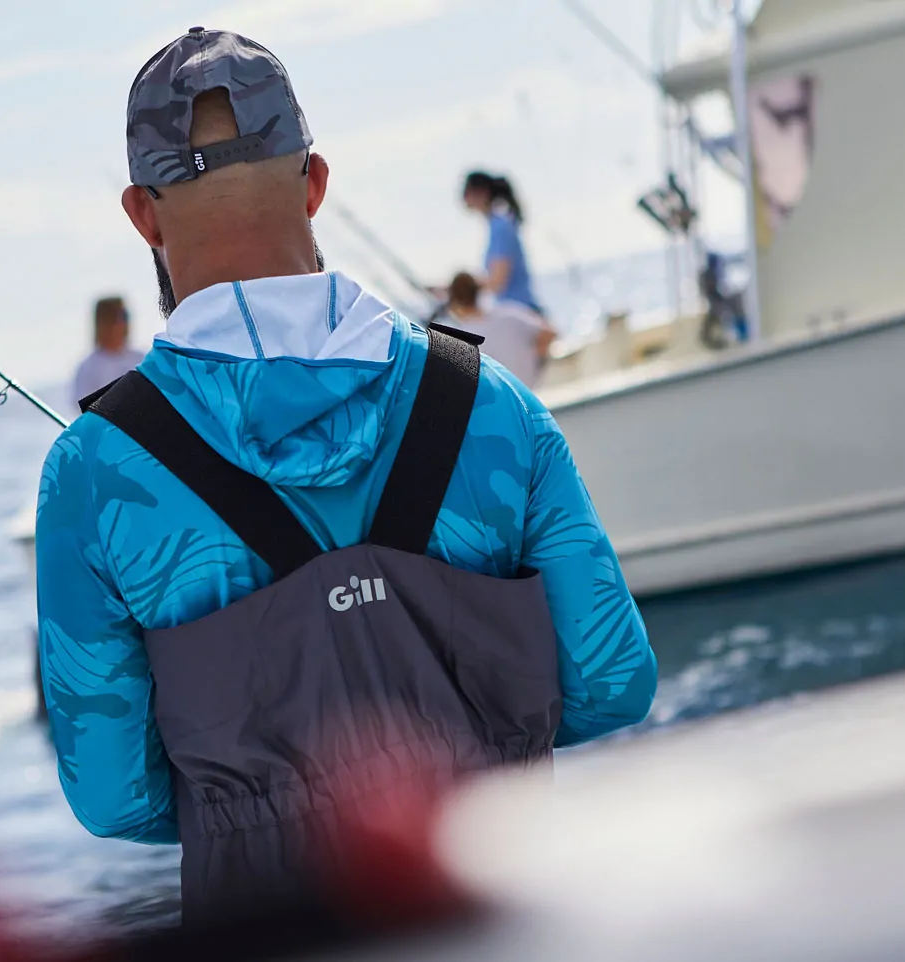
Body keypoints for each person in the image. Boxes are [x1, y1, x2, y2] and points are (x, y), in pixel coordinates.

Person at [35, 27, 655, 923]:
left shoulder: (92, 474)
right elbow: (612, 679)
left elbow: (110, 796)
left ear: (143, 213)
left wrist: (260, 802)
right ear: (315, 182)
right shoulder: (492, 406)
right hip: (507, 913)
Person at [441, 271, 555, 387]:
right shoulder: (510, 313)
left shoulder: (460, 338)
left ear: (454, 301)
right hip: (529, 390)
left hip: (502, 398)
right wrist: (533, 362)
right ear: (479, 292)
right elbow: (549, 333)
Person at [462, 170, 544, 316]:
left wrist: (459, 290)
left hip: (522, 315)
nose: (463, 198)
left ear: (481, 192)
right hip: (516, 314)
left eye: (466, 192)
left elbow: (498, 280)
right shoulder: (497, 224)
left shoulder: (500, 226)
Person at [68, 296, 144, 411]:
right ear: (106, 322)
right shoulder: (87, 368)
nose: (126, 322)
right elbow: (82, 408)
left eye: (126, 316)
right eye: (122, 317)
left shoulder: (142, 359)